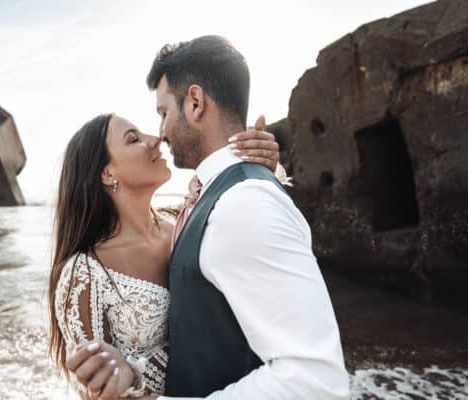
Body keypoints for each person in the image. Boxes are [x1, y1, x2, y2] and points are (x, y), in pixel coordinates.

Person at [67, 35, 349, 399]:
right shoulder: (206, 201)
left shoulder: (244, 204)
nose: (160, 134)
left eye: (164, 113)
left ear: (196, 102)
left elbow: (316, 381)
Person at [48, 110, 283, 399]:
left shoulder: (189, 220)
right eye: (133, 139)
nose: (156, 138)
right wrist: (124, 380)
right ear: (108, 174)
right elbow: (93, 392)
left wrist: (262, 167)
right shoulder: (85, 272)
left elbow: (259, 252)